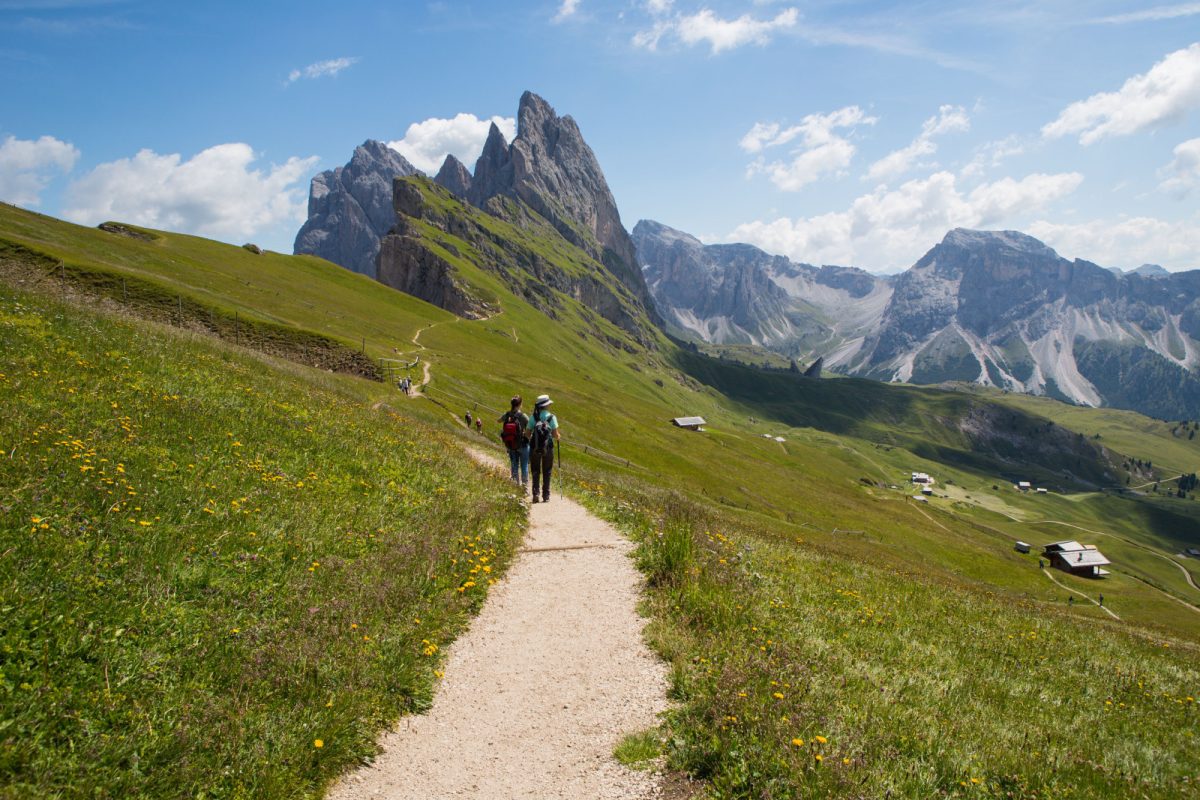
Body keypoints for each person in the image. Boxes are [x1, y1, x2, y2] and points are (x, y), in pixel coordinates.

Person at [527, 394, 560, 503]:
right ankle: (546, 495)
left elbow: (527, 434)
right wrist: (558, 436)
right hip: (548, 447)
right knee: (547, 471)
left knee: (535, 470)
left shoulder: (533, 417)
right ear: (546, 405)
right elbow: (555, 435)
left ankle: (535, 493)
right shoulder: (552, 417)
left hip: (534, 447)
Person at [498, 395, 530, 491]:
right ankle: (524, 488)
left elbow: (498, 420)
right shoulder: (523, 416)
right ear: (520, 404)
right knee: (524, 465)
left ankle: (515, 485)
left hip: (511, 444)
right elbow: (530, 426)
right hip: (523, 444)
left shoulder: (507, 415)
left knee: (514, 464)